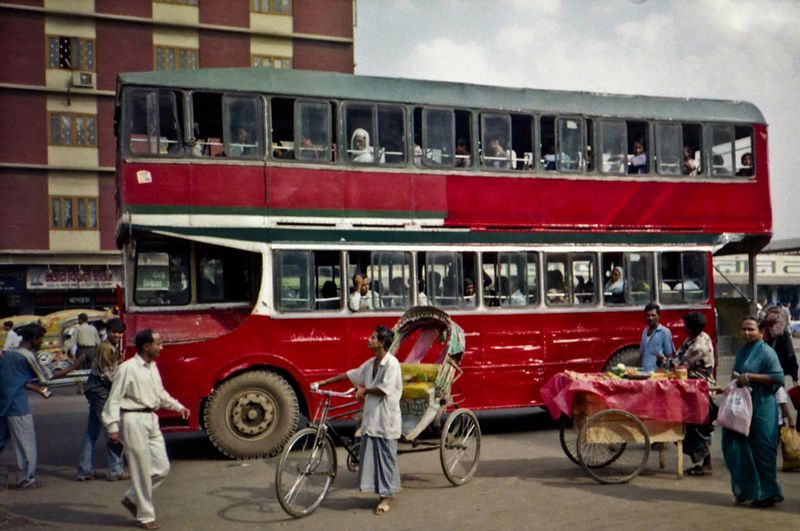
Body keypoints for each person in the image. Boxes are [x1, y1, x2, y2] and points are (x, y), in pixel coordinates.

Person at [103, 329, 189, 530]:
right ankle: (145, 516)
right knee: (141, 469)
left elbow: (159, 393)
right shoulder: (127, 368)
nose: (162, 347)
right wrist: (113, 426)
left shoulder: (152, 367)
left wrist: (178, 407)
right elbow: (114, 399)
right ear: (146, 346)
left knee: (162, 467)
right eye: (158, 344)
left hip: (151, 418)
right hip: (133, 419)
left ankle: (132, 497)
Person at [312, 326, 402, 515]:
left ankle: (386, 498)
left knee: (386, 459)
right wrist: (324, 383)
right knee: (372, 458)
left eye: (373, 338)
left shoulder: (392, 364)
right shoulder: (371, 363)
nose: (368, 340)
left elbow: (384, 389)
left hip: (386, 419)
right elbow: (350, 374)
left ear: (382, 343)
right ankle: (384, 490)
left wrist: (365, 390)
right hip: (372, 418)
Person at [721, 316, 784, 508]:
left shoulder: (767, 352)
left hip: (762, 408)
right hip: (741, 407)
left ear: (760, 331)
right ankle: (747, 490)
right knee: (734, 446)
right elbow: (736, 373)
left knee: (762, 452)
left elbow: (778, 377)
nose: (746, 333)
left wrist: (750, 377)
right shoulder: (742, 351)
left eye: (751, 329)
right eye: (743, 329)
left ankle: (767, 494)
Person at [0, 324, 52, 489]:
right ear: (34, 339)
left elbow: (19, 380)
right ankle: (27, 479)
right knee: (26, 443)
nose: (41, 342)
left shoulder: (9, 354)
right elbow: (47, 376)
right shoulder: (27, 356)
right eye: (40, 339)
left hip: (4, 403)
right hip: (17, 405)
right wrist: (75, 365)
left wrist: (37, 390)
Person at [77, 318, 129, 482]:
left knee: (92, 431)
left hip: (94, 390)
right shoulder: (106, 348)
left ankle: (84, 471)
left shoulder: (109, 346)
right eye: (114, 331)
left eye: (119, 332)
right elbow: (108, 375)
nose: (117, 335)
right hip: (100, 392)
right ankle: (115, 470)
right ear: (107, 331)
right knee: (110, 429)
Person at [674, 312, 715, 476]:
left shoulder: (700, 345)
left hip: (700, 389)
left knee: (699, 426)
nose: (683, 328)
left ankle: (707, 463)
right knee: (692, 424)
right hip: (690, 387)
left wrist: (663, 361)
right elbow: (679, 355)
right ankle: (705, 461)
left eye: (685, 326)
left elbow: (679, 362)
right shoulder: (692, 339)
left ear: (691, 328)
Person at [761, 307, 799, 385]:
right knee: (778, 393)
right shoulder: (782, 331)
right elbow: (789, 353)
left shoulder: (760, 328)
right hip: (777, 369)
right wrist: (794, 373)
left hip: (761, 368)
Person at [638, 303, 675, 371]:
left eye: (653, 315)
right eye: (648, 315)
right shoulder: (645, 331)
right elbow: (642, 354)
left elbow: (670, 356)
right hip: (644, 373)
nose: (650, 318)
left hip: (658, 373)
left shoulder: (665, 332)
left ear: (658, 316)